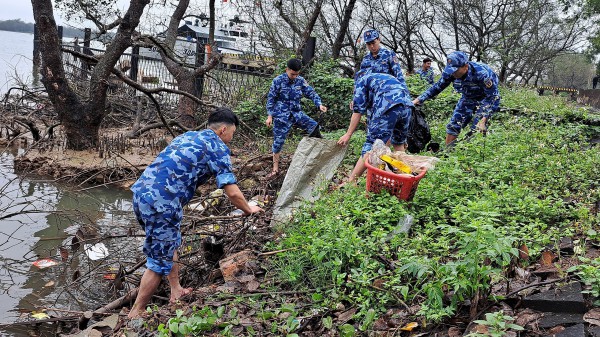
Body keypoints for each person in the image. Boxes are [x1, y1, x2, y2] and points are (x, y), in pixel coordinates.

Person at [127, 107, 263, 319]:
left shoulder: (189, 135)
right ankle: (137, 312)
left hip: (141, 195)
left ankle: (176, 291)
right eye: (232, 134)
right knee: (158, 260)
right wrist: (248, 209)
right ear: (223, 130)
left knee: (168, 243)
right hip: (163, 204)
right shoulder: (217, 147)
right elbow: (232, 191)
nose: (231, 139)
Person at [337, 69, 414, 184]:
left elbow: (357, 112)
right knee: (398, 143)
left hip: (389, 104)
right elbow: (374, 115)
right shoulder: (380, 79)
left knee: (371, 144)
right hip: (407, 106)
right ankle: (406, 178)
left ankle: (351, 182)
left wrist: (348, 134)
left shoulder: (361, 81)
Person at [412, 51, 500, 145]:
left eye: (455, 70)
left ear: (465, 67)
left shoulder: (481, 73)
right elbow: (437, 87)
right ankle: (447, 153)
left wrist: (484, 119)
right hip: (468, 96)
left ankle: (475, 153)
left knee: (477, 127)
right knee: (455, 124)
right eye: (451, 70)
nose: (453, 73)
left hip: (486, 97)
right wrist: (418, 99)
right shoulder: (450, 72)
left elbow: (493, 97)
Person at [265, 58, 327, 179]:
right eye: (292, 74)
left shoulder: (300, 81)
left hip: (297, 113)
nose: (294, 76)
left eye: (297, 74)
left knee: (314, 127)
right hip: (282, 116)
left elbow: (311, 92)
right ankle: (275, 169)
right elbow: (271, 99)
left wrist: (319, 104)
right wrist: (269, 116)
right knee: (278, 142)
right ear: (287, 70)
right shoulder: (278, 81)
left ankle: (315, 159)